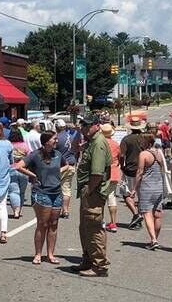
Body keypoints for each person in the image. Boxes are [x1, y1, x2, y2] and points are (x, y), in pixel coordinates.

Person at [15, 131, 67, 265]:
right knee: (43, 224)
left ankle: (50, 254)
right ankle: (38, 254)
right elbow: (19, 166)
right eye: (54, 139)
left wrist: (58, 172)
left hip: (56, 193)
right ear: (46, 141)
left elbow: (66, 165)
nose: (56, 141)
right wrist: (33, 175)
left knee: (54, 224)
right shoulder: (36, 155)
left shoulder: (58, 154)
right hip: (41, 192)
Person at [71, 114, 112, 277]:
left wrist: (88, 190)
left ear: (97, 125)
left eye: (88, 126)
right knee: (86, 228)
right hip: (89, 192)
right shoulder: (91, 142)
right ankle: (88, 259)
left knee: (94, 229)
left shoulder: (98, 144)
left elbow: (97, 174)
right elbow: (76, 148)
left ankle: (99, 265)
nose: (85, 128)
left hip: (94, 193)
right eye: (83, 126)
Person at [133, 134, 165, 250]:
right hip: (158, 186)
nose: (140, 143)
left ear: (146, 142)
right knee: (157, 214)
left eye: (142, 141)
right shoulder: (159, 153)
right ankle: (155, 238)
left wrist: (134, 188)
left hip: (147, 186)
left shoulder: (144, 154)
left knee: (147, 213)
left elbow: (140, 172)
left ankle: (153, 239)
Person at [119, 117, 145, 230]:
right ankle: (138, 218)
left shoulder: (126, 139)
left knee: (126, 193)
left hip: (130, 169)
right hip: (144, 169)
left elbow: (121, 155)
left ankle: (136, 214)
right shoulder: (144, 138)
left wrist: (122, 166)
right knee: (141, 195)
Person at [55, 119, 78, 219]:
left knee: (56, 188)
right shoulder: (72, 136)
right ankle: (66, 210)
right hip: (72, 164)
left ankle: (57, 209)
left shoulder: (56, 138)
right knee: (66, 188)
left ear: (56, 127)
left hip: (61, 165)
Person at [101, 124, 121, 233]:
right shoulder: (115, 144)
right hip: (114, 171)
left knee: (101, 198)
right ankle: (113, 222)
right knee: (112, 197)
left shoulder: (100, 144)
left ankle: (102, 221)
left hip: (103, 172)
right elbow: (120, 157)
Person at [8, 129, 30, 217]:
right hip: (23, 170)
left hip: (11, 169)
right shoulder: (25, 145)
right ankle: (19, 210)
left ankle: (15, 211)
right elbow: (29, 157)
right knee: (21, 192)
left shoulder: (9, 145)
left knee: (13, 191)